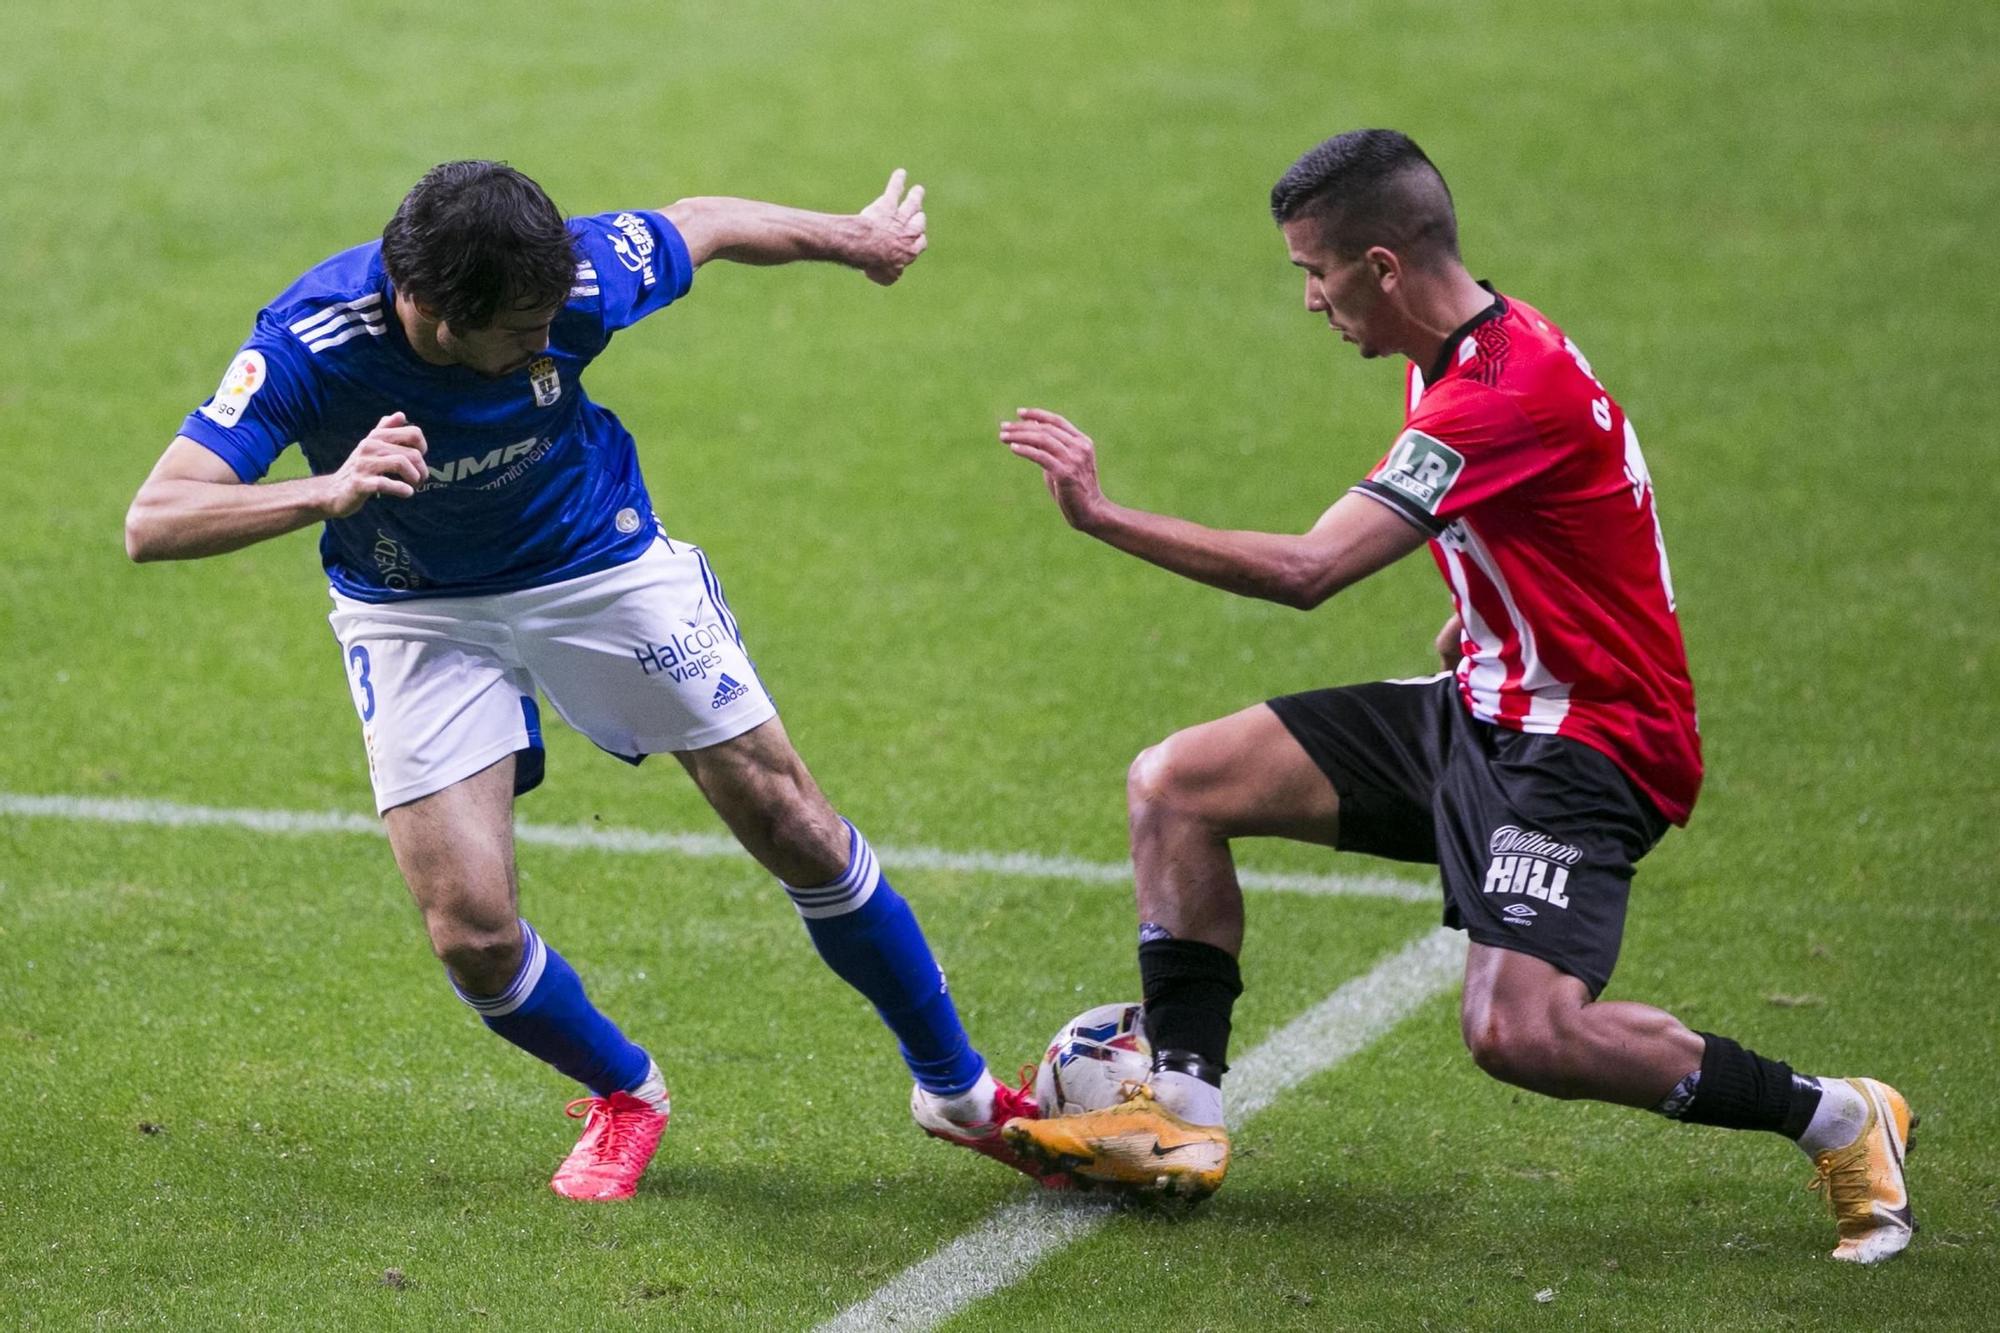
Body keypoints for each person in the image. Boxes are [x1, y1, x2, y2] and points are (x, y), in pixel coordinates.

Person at [997, 130, 1914, 1262]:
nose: (1306, 299)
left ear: (1379, 266)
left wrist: (1103, 514)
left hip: (1587, 746)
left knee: (1517, 1033)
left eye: (1312, 271)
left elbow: (1306, 571)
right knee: (1176, 782)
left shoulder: (1495, 390)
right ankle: (1180, 1113)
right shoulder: (1462, 347)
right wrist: (1490, 609)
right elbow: (1551, 509)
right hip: (1484, 698)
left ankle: (1837, 1113)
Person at [126, 160, 1052, 1201]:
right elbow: (154, 519)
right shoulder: (310, 343)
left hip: (593, 562)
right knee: (471, 933)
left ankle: (958, 1092)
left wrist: (855, 239)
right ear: (428, 309)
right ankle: (625, 1091)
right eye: (519, 332)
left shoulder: (570, 277)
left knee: (789, 817)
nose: (545, 341)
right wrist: (327, 489)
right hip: (415, 607)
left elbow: (701, 220)